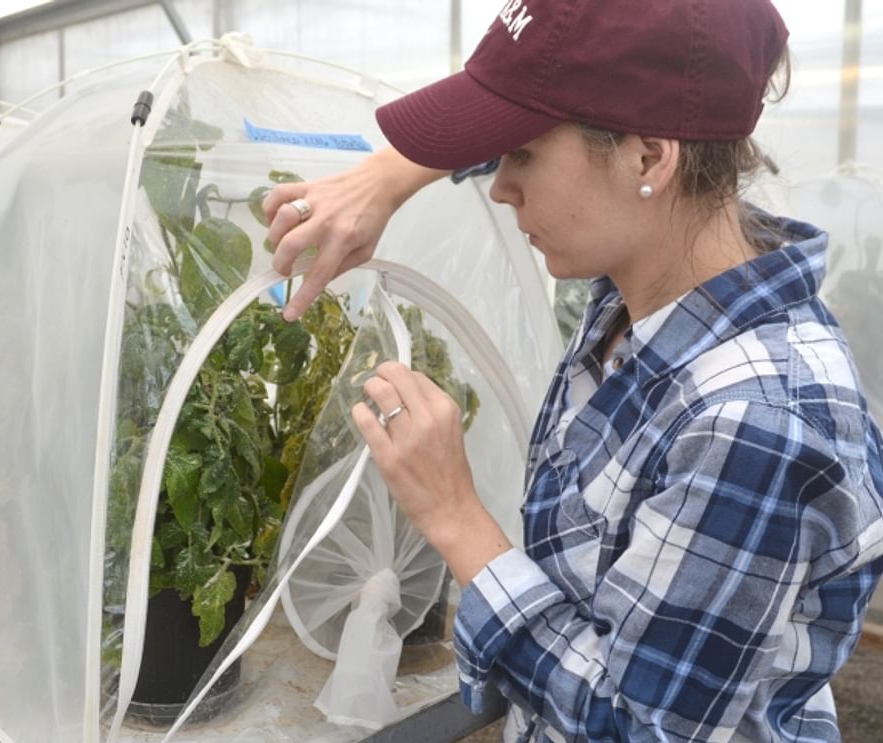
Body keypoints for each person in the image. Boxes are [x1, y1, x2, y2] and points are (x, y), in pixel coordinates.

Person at [262, 1, 883, 740]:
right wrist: (386, 179)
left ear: (649, 158)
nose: (498, 185)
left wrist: (456, 515)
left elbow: (633, 727)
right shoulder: (647, 289)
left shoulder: (757, 422)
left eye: (520, 153)